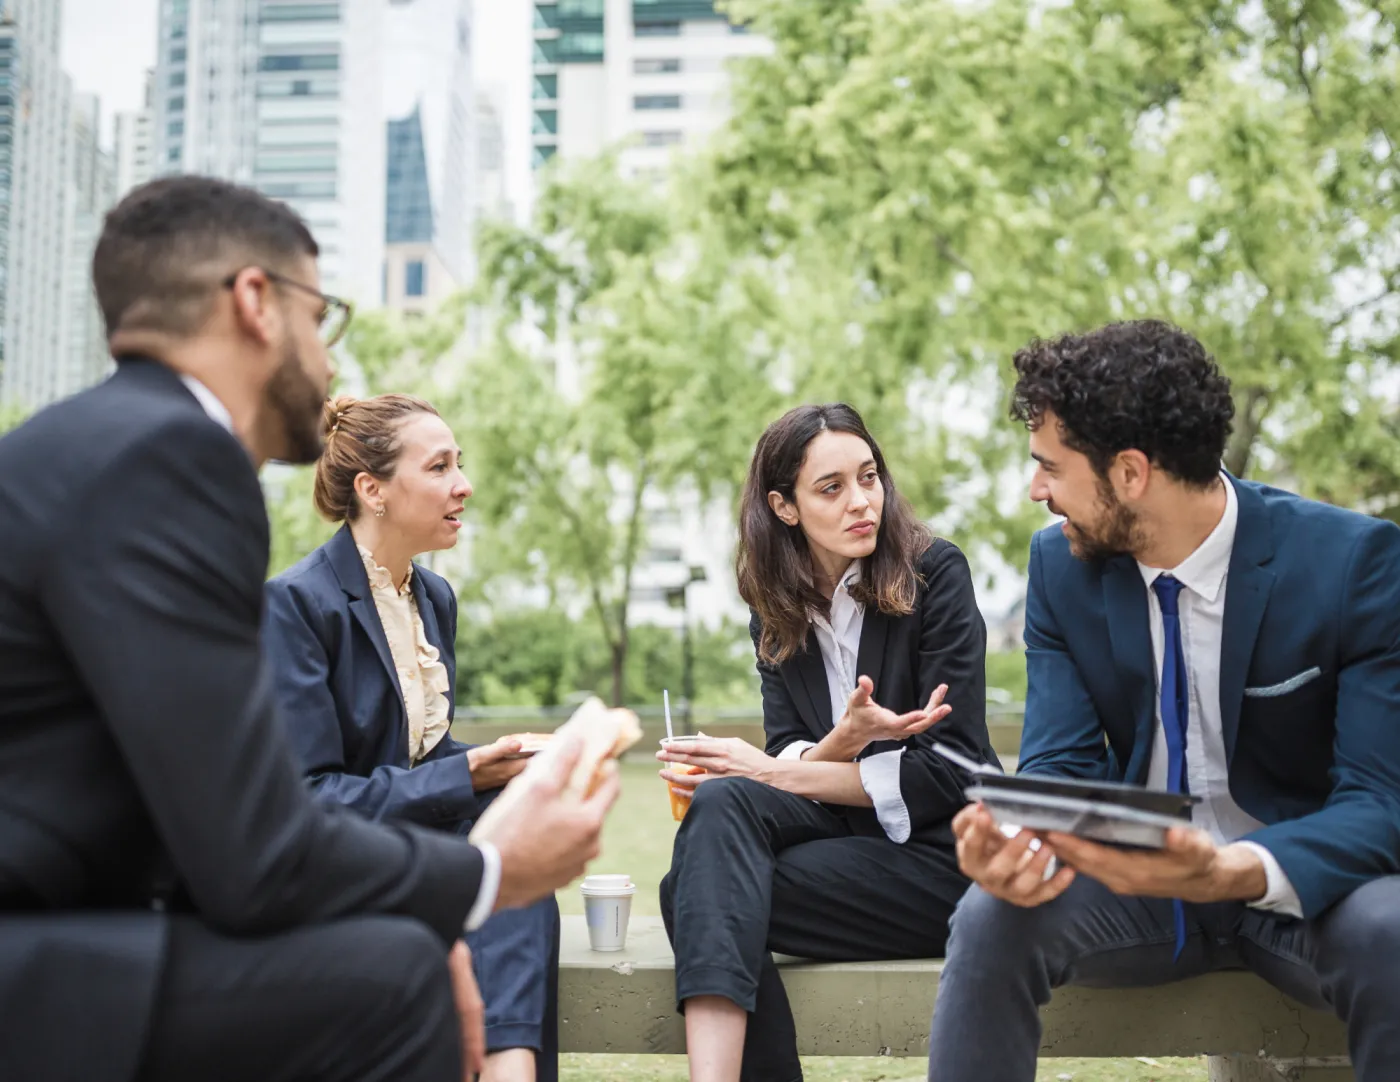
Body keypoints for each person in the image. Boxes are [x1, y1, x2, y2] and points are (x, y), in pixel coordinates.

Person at [0, 175, 618, 1082]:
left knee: (399, 956)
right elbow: (260, 850)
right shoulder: (171, 457)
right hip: (42, 952)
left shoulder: (92, 444)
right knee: (394, 980)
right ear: (256, 301)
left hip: (84, 911)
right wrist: (486, 876)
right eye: (320, 318)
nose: (328, 364)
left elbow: (215, 816)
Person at [927, 320, 1400, 1081]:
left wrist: (1234, 871)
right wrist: (1017, 837)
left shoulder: (1353, 564)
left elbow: (1379, 804)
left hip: (1298, 892)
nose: (1036, 491)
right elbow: (1059, 764)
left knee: (1393, 927)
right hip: (1132, 890)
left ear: (1130, 473)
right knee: (991, 915)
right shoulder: (1061, 568)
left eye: (1050, 467)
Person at [656, 403, 999, 1082]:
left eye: (869, 477)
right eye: (831, 488)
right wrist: (839, 742)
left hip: (948, 859)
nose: (861, 501)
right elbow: (790, 743)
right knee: (718, 817)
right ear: (784, 507)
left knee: (694, 892)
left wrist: (771, 772)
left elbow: (947, 773)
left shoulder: (935, 574)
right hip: (846, 848)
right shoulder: (773, 605)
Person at [263, 392, 560, 1082]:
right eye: (439, 467)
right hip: (339, 865)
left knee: (516, 852)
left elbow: (417, 753)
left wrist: (510, 762)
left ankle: (509, 1066)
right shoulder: (296, 604)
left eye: (460, 464)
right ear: (374, 491)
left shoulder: (433, 597)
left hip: (416, 844)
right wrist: (467, 774)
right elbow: (312, 795)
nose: (464, 484)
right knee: (502, 869)